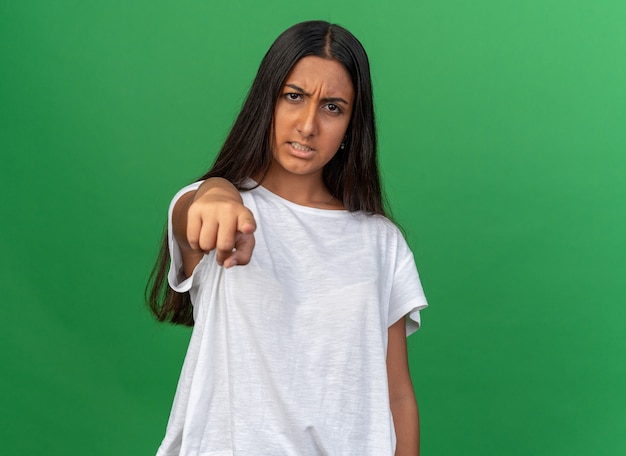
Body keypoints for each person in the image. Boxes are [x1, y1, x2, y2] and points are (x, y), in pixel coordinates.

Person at [146, 20, 428, 456]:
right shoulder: (221, 207)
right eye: (293, 97)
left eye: (333, 107)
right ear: (268, 102)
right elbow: (195, 214)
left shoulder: (382, 243)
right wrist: (217, 191)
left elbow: (396, 395)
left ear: (352, 124)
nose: (308, 124)